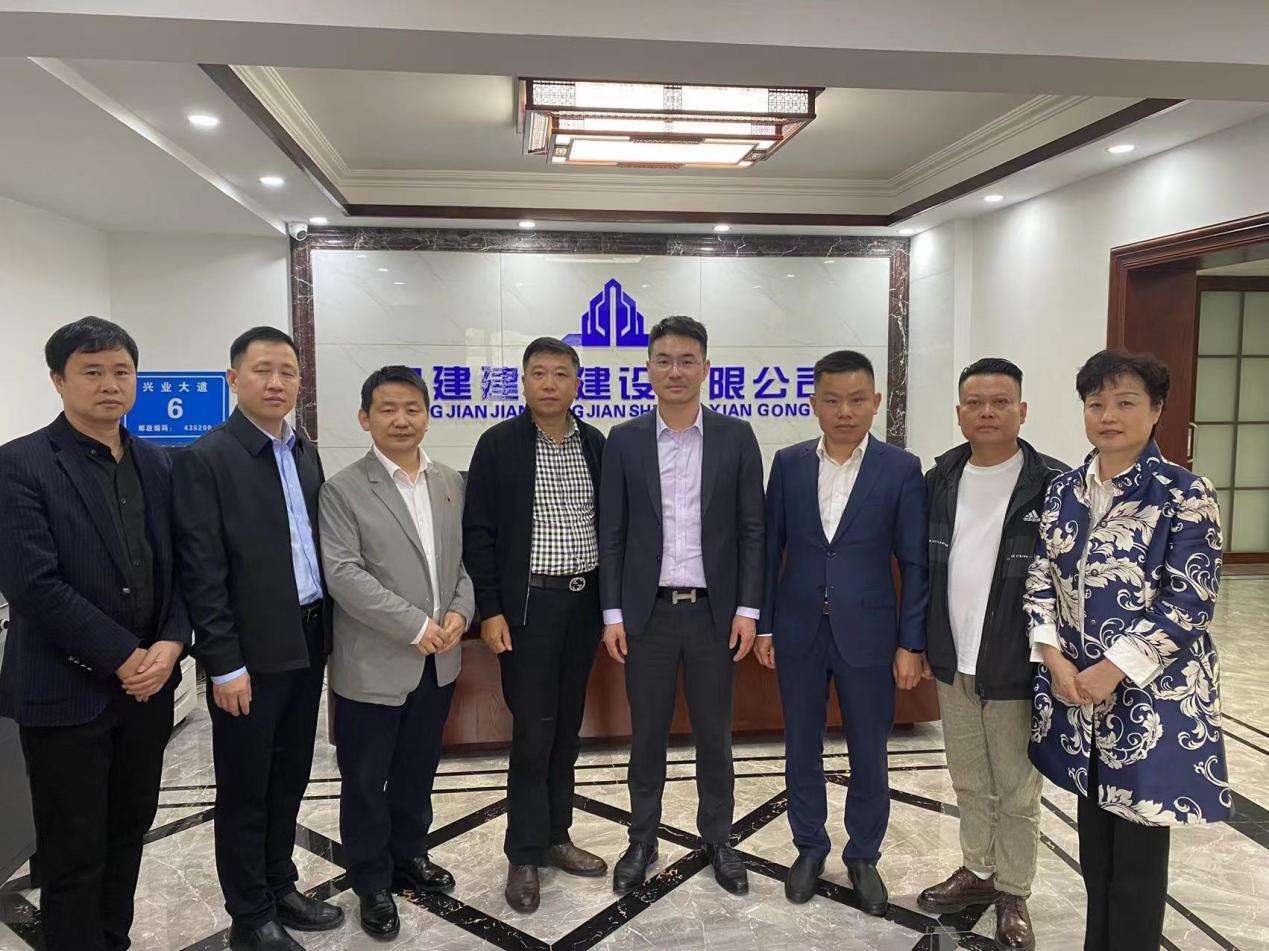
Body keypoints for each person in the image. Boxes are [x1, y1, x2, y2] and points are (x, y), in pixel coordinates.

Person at [1025, 349, 1228, 951]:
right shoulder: (1064, 489)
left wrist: (1112, 670)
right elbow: (1040, 579)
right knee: (1096, 849)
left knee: (1137, 853)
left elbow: (1189, 600)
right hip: (1077, 692)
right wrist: (1055, 659)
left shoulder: (1184, 493)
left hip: (1150, 699)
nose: (1108, 416)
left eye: (1125, 403)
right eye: (1097, 404)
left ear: (1157, 409)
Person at [0, 317, 190, 951]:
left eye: (121, 371)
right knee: (72, 849)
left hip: (147, 691)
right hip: (65, 693)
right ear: (58, 380)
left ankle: (114, 940)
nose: (110, 384)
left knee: (128, 830)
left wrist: (171, 644)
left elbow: (182, 568)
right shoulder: (19, 464)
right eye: (92, 371)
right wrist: (125, 657)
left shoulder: (159, 464)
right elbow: (33, 584)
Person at [174, 327, 342, 951]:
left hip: (308, 639)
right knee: (246, 787)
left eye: (287, 372)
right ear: (233, 379)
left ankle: (280, 884)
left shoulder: (304, 450)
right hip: (249, 654)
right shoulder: (206, 459)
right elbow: (202, 571)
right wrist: (223, 664)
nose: (276, 383)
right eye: (262, 370)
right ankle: (250, 913)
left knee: (289, 775)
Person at [755, 349, 927, 915]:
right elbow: (770, 550)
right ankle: (809, 847)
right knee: (800, 745)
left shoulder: (900, 469)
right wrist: (766, 625)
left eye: (856, 400)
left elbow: (914, 562)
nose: (845, 411)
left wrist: (910, 642)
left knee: (869, 750)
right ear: (815, 404)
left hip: (870, 634)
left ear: (875, 402)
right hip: (799, 629)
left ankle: (863, 855)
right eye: (832, 400)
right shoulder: (789, 463)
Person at [599, 315, 764, 897]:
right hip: (647, 616)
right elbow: (612, 532)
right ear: (648, 369)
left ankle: (718, 838)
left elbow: (752, 529)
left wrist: (748, 609)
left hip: (714, 616)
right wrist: (613, 614)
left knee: (715, 735)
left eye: (687, 360)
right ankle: (641, 838)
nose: (676, 371)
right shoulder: (624, 440)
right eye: (664, 360)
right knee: (646, 734)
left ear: (706, 368)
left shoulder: (736, 436)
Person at [917, 358, 1067, 951]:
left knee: (1017, 787)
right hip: (954, 653)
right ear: (959, 413)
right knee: (968, 778)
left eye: (1000, 402)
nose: (987, 412)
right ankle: (977, 869)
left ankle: (1013, 891)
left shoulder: (1053, 484)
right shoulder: (940, 478)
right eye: (975, 403)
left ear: (1022, 411)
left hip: (1015, 659)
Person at [319, 366, 473, 939]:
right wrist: (415, 625)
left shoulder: (449, 481)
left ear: (427, 415)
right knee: (365, 780)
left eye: (412, 408)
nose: (401, 420)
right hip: (374, 664)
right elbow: (343, 574)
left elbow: (462, 563)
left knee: (417, 770)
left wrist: (460, 612)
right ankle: (371, 880)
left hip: (440, 659)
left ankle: (409, 854)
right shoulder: (342, 489)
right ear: (365, 419)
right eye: (387, 409)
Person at [463, 338, 608, 914]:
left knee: (567, 727)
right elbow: (479, 534)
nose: (550, 383)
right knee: (532, 732)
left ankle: (556, 836)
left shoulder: (595, 443)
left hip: (583, 605)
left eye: (561, 374)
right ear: (523, 382)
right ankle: (523, 851)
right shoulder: (499, 444)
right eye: (539, 373)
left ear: (577, 383)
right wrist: (491, 610)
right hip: (528, 609)